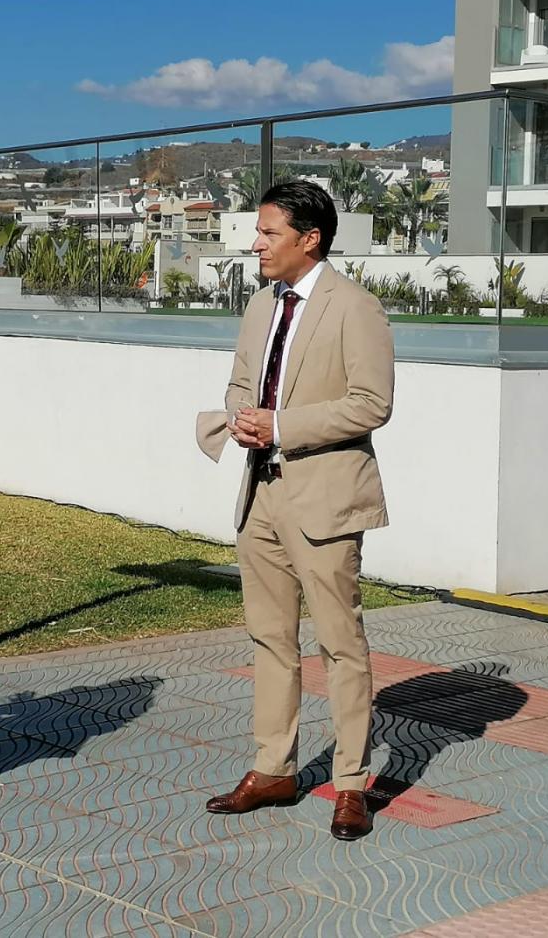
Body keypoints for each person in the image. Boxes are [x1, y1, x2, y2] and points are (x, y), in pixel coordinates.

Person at [197, 181, 394, 841]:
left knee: (341, 645)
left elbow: (372, 403)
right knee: (269, 638)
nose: (256, 244)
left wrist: (281, 425)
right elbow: (239, 379)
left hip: (327, 499)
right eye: (258, 232)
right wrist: (242, 419)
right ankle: (274, 768)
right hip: (261, 494)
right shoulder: (259, 304)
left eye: (268, 233)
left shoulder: (355, 307)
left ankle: (349, 785)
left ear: (309, 238)